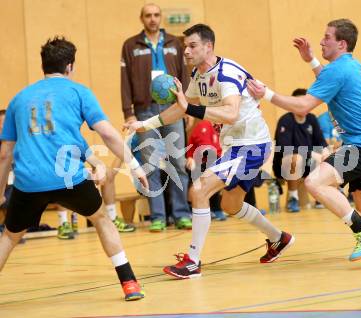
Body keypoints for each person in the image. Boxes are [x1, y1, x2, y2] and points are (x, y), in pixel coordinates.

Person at [247, 18, 361, 259]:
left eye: (327, 38)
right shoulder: (350, 66)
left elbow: (303, 106)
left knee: (315, 182)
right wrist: (312, 61)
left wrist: (266, 93)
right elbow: (329, 81)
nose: (322, 42)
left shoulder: (338, 69)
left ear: (341, 44)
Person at [125, 24, 293, 279]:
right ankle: (278, 238)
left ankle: (192, 261)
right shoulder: (199, 75)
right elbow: (182, 108)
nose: (187, 51)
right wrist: (144, 124)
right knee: (230, 204)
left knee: (199, 189)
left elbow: (231, 112)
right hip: (235, 145)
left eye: (192, 46)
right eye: (185, 47)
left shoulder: (225, 74)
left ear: (208, 47)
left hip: (251, 145)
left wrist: (190, 109)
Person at [0, 37, 147, 301]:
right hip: (68, 178)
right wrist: (134, 165)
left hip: (28, 181)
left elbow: (4, 155)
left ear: (43, 65)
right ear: (70, 66)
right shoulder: (78, 92)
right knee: (101, 218)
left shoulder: (18, 100)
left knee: (10, 237)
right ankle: (129, 283)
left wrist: (0, 193)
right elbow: (107, 134)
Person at [121, 3, 192, 232]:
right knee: (151, 165)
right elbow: (124, 80)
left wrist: (186, 107)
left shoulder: (175, 43)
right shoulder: (130, 45)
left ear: (161, 18)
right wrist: (128, 112)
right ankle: (158, 216)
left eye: (156, 15)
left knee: (178, 161)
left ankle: (181, 214)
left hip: (173, 108)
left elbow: (185, 76)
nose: (152, 19)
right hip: (145, 110)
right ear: (141, 18)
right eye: (148, 15)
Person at [273, 88, 329, 212]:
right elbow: (285, 148)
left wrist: (325, 151)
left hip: (308, 162)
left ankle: (321, 196)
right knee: (296, 158)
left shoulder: (312, 119)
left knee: (328, 157)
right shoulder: (285, 120)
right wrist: (310, 153)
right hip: (284, 164)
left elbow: (320, 141)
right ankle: (293, 198)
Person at [186, 119, 226, 221]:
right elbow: (198, 148)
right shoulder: (203, 125)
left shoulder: (220, 128)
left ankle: (216, 209)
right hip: (199, 161)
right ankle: (198, 209)